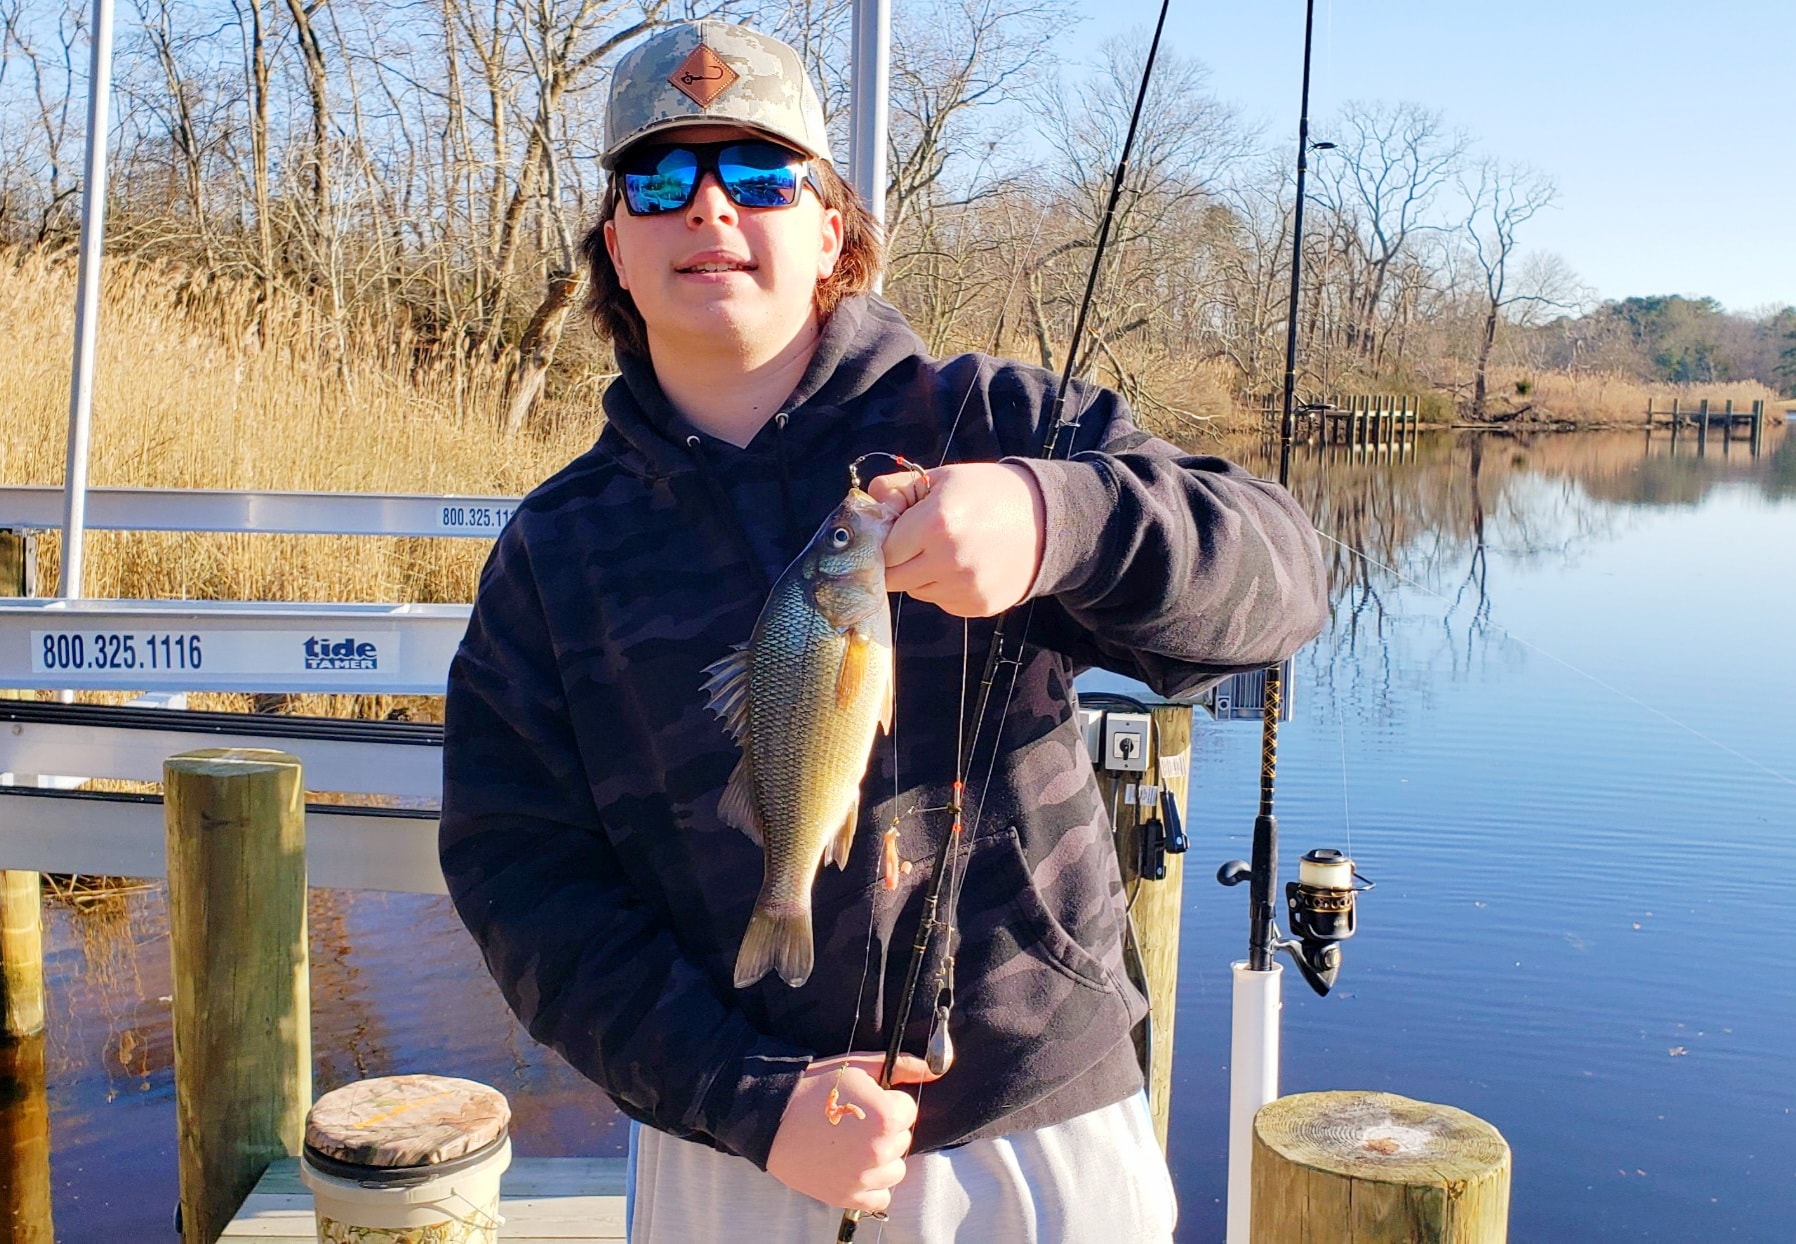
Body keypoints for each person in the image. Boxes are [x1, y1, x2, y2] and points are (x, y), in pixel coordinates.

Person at [440, 18, 1327, 1243]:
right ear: (615, 249)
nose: (708, 207)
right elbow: (518, 876)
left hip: (1039, 1129)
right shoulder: (554, 551)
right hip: (734, 1152)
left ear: (831, 231)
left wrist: (1054, 518)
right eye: (658, 177)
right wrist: (741, 1095)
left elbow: (1285, 577)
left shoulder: (998, 424)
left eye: (760, 174)